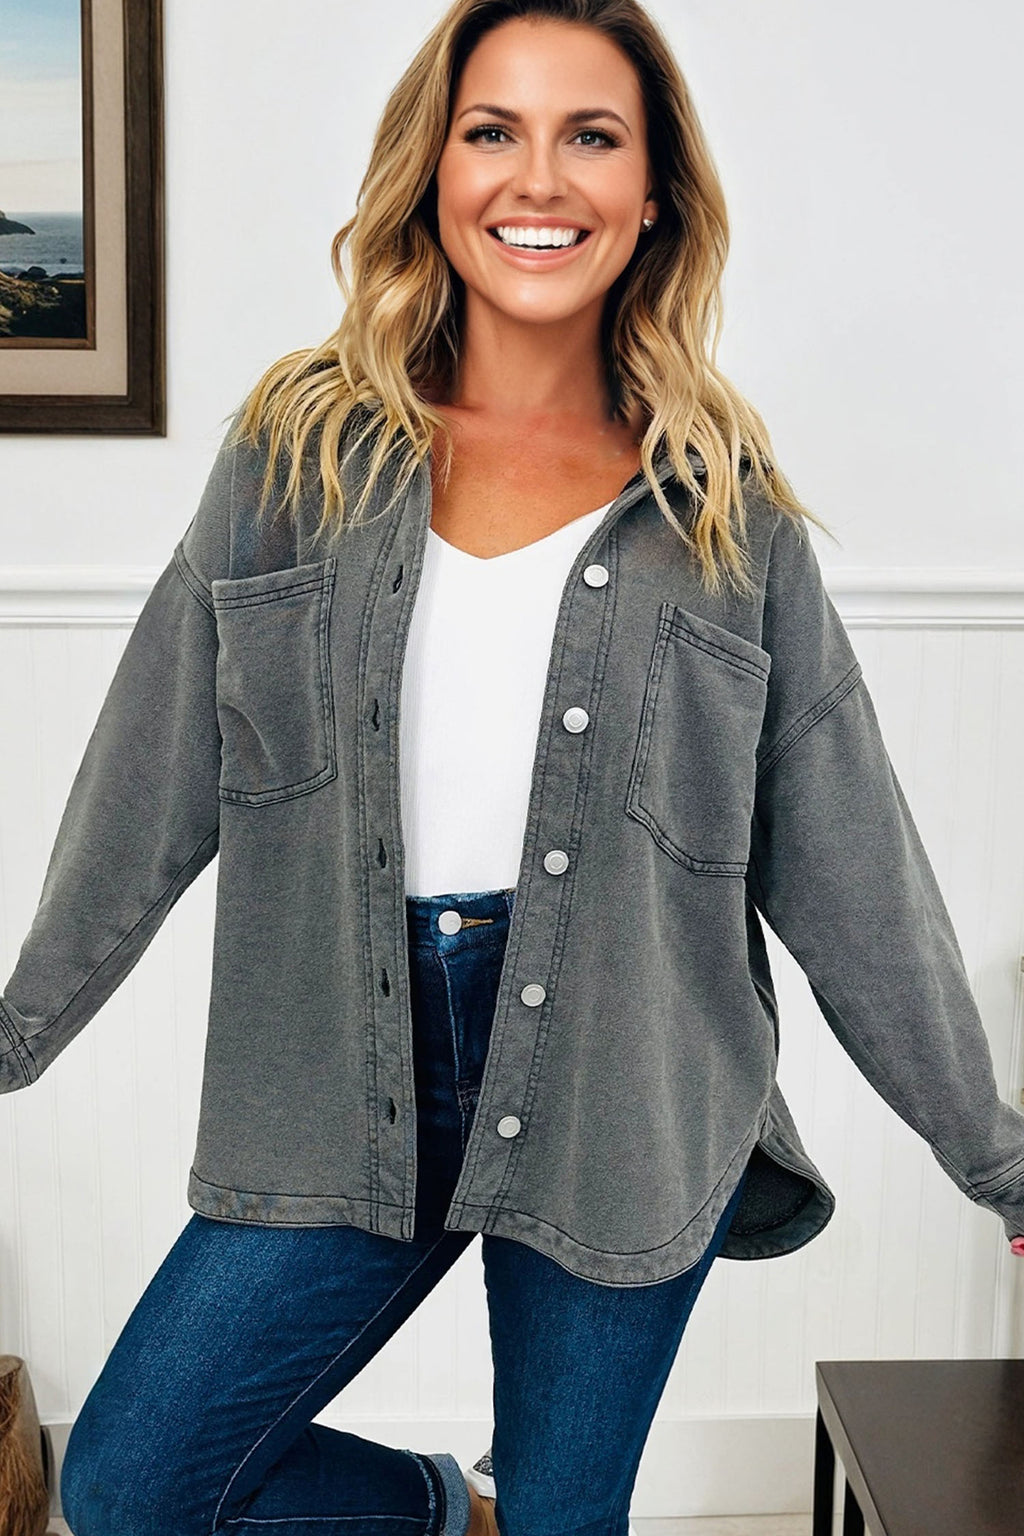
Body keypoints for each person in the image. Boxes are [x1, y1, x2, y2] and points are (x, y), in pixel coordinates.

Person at [2, 2, 1022, 1534]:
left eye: (589, 136)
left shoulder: (725, 514)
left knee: (566, 1521)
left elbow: (854, 865)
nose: (537, 179)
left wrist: (1000, 1163)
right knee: (134, 1483)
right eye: (494, 131)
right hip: (344, 1076)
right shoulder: (295, 455)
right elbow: (145, 777)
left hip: (631, 1081)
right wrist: (14, 1034)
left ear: (653, 193)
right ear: (436, 171)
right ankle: (446, 1511)